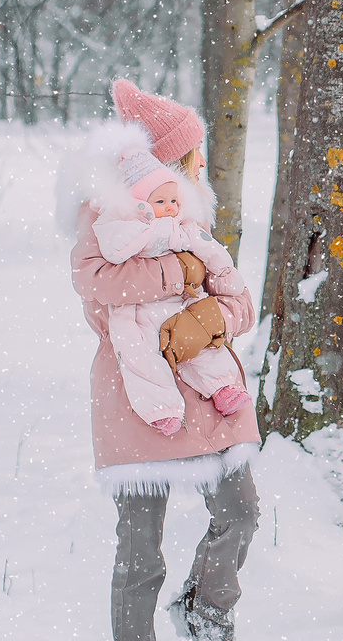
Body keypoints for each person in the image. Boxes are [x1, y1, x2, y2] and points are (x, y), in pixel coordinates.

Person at [62, 79, 259, 641]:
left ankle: (207, 607)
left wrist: (210, 318)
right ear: (168, 157)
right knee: (141, 548)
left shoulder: (192, 214)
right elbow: (98, 286)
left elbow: (240, 301)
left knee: (241, 511)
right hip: (136, 399)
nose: (203, 165)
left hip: (212, 391)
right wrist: (180, 273)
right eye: (193, 154)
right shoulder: (109, 217)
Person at [90, 144, 253, 436]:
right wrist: (153, 233)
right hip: (137, 314)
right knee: (139, 353)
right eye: (161, 201)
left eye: (174, 200)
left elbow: (215, 257)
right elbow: (107, 269)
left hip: (183, 304)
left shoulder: (186, 221)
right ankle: (161, 408)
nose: (170, 207)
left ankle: (225, 387)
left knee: (203, 347)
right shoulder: (115, 221)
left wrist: (225, 283)